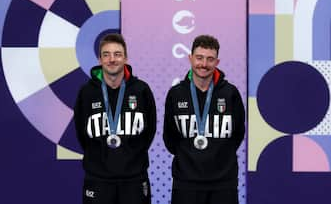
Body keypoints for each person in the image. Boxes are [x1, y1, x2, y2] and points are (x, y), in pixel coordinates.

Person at [74, 33, 156, 204]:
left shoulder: (141, 90)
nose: (112, 59)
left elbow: (149, 132)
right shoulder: (87, 92)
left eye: (117, 54)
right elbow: (82, 134)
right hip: (98, 179)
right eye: (106, 54)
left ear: (125, 58)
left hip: (134, 179)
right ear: (99, 59)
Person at [163, 35, 245, 204]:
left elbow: (238, 134)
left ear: (217, 62)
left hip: (224, 184)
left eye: (210, 59)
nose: (204, 64)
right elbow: (169, 137)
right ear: (190, 58)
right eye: (199, 58)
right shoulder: (176, 93)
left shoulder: (230, 93)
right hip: (186, 183)